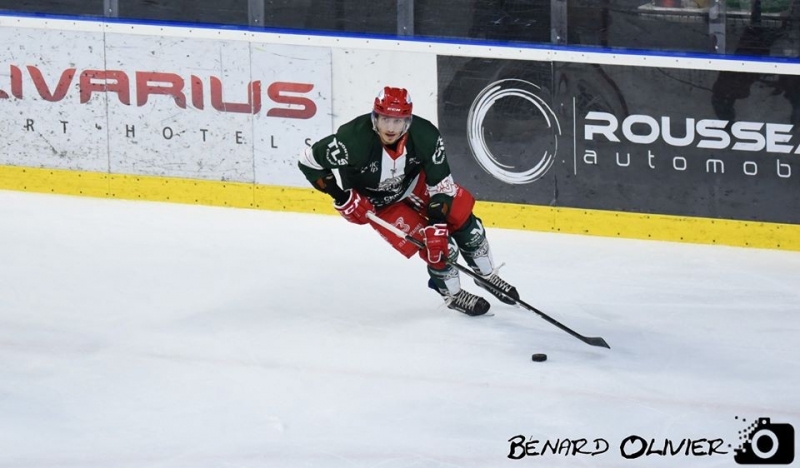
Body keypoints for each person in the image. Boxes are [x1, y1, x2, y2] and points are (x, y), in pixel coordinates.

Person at [298, 86, 519, 316]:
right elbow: (308, 162)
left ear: (408, 121)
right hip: (379, 206)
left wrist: (437, 224)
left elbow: (441, 184)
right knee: (443, 249)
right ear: (375, 117)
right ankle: (452, 294)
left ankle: (486, 276)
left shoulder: (425, 135)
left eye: (398, 120)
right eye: (385, 119)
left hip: (415, 183)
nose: (391, 128)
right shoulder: (351, 140)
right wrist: (340, 195)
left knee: (466, 225)